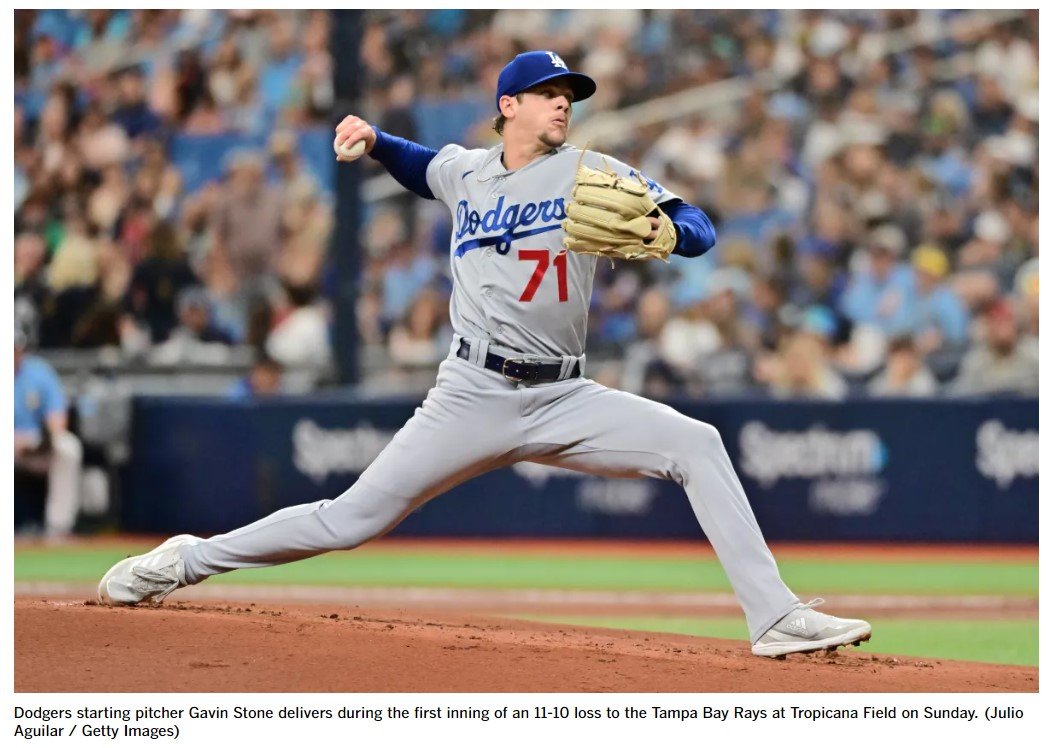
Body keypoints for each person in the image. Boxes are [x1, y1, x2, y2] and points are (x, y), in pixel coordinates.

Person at [98, 50, 870, 659]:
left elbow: (694, 223)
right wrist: (371, 141)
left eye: (570, 91)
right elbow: (414, 158)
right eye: (548, 91)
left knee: (696, 443)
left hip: (566, 395)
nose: (564, 100)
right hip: (470, 393)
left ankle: (773, 617)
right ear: (510, 106)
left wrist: (675, 233)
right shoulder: (466, 172)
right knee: (348, 520)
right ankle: (188, 560)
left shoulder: (589, 171)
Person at [14, 323, 83, 538]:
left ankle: (58, 528)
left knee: (68, 447)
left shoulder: (39, 371)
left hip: (33, 445)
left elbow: (57, 420)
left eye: (16, 348)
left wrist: (44, 438)